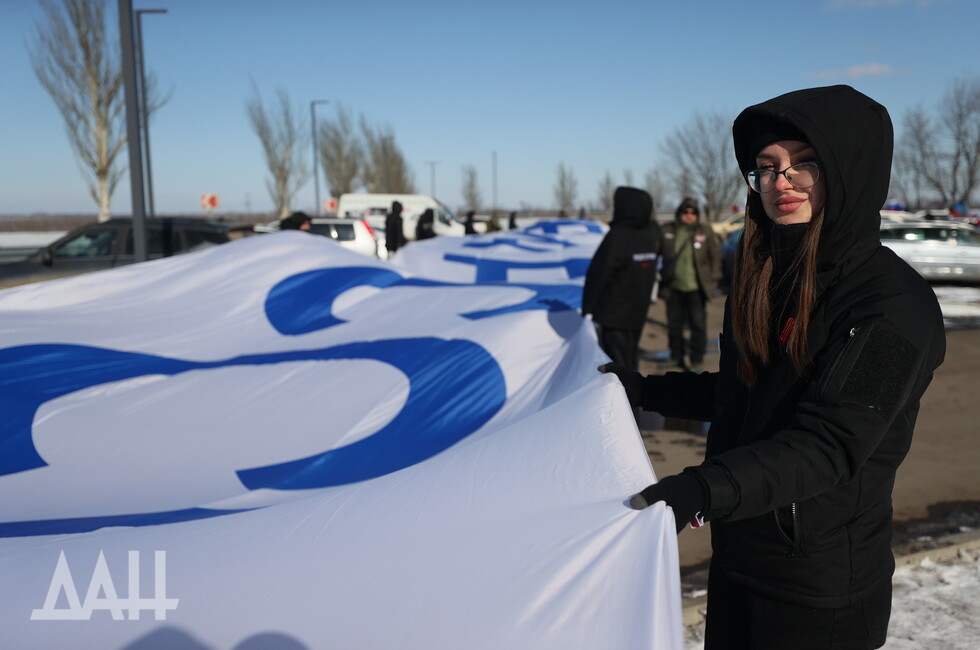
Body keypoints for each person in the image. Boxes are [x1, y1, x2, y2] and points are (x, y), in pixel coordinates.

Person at [601, 85, 945, 649]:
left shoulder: (893, 307)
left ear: (847, 170)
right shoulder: (767, 278)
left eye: (803, 163)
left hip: (817, 589)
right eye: (767, 167)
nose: (781, 182)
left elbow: (830, 444)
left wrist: (701, 489)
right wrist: (641, 392)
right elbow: (748, 396)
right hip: (740, 559)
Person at [581, 186, 662, 370]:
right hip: (638, 311)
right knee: (630, 356)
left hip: (614, 314)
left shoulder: (618, 236)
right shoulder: (648, 234)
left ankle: (627, 396)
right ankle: (635, 391)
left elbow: (599, 273)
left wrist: (588, 307)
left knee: (617, 364)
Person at [659, 197, 721, 372]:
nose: (689, 215)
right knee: (674, 325)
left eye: (693, 212)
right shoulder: (668, 230)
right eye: (685, 211)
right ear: (679, 213)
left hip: (697, 289)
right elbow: (654, 250)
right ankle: (676, 357)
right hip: (673, 288)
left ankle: (697, 360)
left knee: (698, 326)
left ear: (697, 214)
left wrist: (714, 278)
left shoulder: (705, 231)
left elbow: (715, 256)